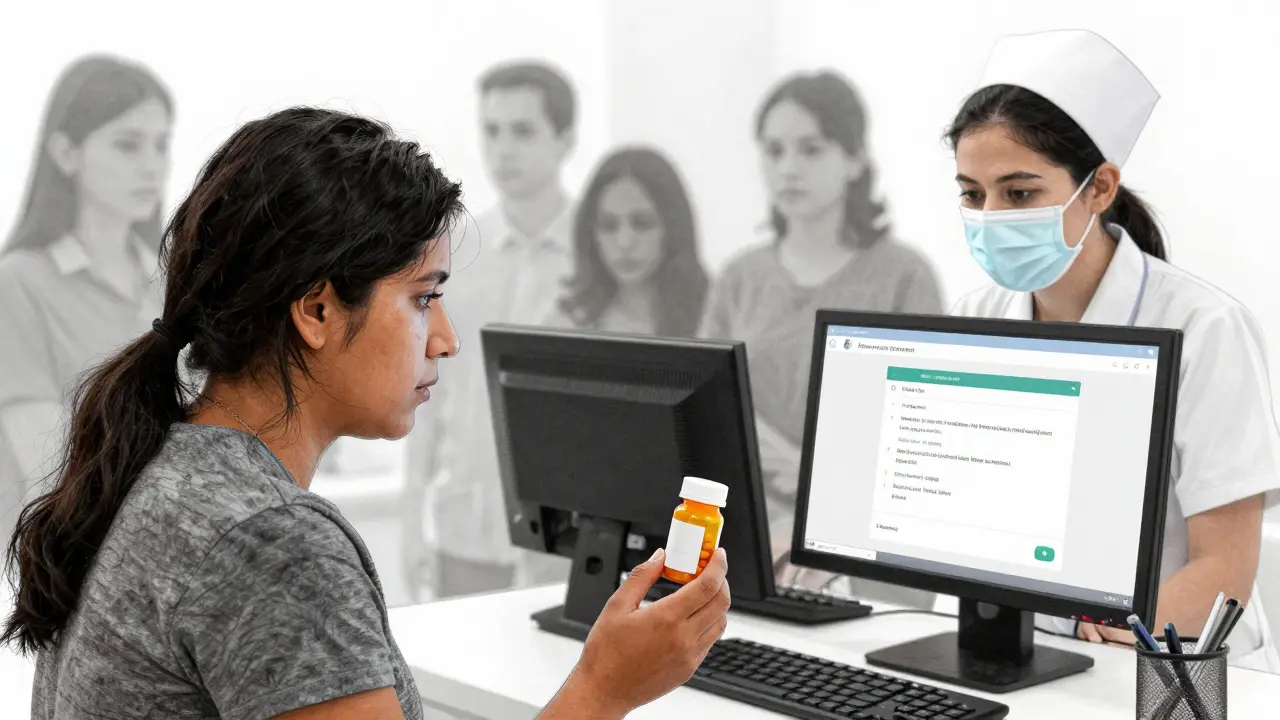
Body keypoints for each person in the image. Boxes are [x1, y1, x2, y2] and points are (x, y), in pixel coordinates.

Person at [1, 107, 732, 719]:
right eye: (422, 297)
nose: (445, 342)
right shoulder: (271, 543)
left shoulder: (166, 471)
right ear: (317, 309)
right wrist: (604, 688)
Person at [949, 29, 1279, 671]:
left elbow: (1225, 567)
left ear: (1099, 189)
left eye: (1019, 194)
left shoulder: (1205, 328)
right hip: (1026, 658)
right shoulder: (973, 317)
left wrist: (1096, 639)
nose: (990, 216)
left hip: (1174, 672)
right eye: (971, 192)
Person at [700, 70, 942, 607]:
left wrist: (821, 499)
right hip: (756, 533)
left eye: (811, 149)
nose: (789, 168)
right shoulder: (738, 277)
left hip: (878, 540)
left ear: (854, 159)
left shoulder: (904, 275)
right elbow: (706, 407)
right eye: (774, 150)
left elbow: (924, 421)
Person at [401, 60, 580, 600]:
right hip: (467, 530)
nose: (504, 149)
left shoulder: (595, 262)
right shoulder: (455, 254)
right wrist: (412, 521)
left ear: (565, 140)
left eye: (523, 131)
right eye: (492, 130)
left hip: (568, 539)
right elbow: (423, 389)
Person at [0, 55, 173, 545]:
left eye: (160, 146)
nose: (150, 167)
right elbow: (47, 465)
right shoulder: (18, 285)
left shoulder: (173, 283)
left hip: (161, 549)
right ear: (66, 153)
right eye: (126, 145)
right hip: (64, 566)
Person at [550, 146, 708, 336]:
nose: (625, 243)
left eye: (642, 224)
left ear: (673, 228)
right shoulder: (568, 324)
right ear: (591, 234)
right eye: (609, 226)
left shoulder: (714, 316)